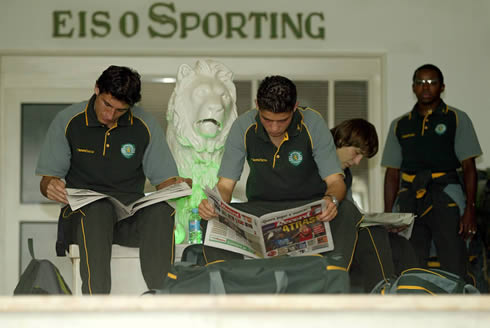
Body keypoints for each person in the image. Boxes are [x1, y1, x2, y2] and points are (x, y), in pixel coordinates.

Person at [35, 65, 187, 294]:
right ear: (97, 89)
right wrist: (51, 186)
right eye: (107, 104)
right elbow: (47, 181)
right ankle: (98, 306)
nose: (110, 115)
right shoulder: (68, 120)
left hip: (129, 217)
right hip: (83, 217)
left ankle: (163, 298)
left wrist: (175, 186)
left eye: (120, 110)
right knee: (97, 209)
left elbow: (165, 182)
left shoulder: (144, 124)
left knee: (162, 211)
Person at [199, 75, 361, 268]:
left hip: (309, 209)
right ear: (257, 105)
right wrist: (213, 205)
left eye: (282, 121)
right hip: (260, 210)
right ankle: (229, 283)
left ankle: (330, 278)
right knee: (210, 219)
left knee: (347, 210)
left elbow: (336, 183)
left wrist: (331, 201)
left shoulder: (313, 123)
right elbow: (225, 186)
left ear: (295, 108)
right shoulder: (243, 126)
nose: (274, 127)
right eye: (267, 120)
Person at [381, 64, 482, 279]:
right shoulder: (400, 124)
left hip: (445, 196)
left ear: (442, 86)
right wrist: (388, 215)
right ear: (413, 87)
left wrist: (470, 211)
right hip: (409, 199)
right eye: (420, 82)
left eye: (432, 82)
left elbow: (469, 167)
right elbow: (392, 174)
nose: (425, 87)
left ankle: (459, 308)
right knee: (410, 263)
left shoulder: (456, 118)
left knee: (454, 260)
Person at [331, 119, 417, 292]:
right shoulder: (311, 159)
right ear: (341, 140)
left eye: (362, 157)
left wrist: (387, 224)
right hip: (317, 234)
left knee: (401, 245)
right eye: (356, 153)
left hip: (340, 231)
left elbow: (350, 209)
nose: (357, 162)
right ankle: (381, 298)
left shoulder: (345, 176)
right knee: (373, 233)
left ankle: (415, 299)